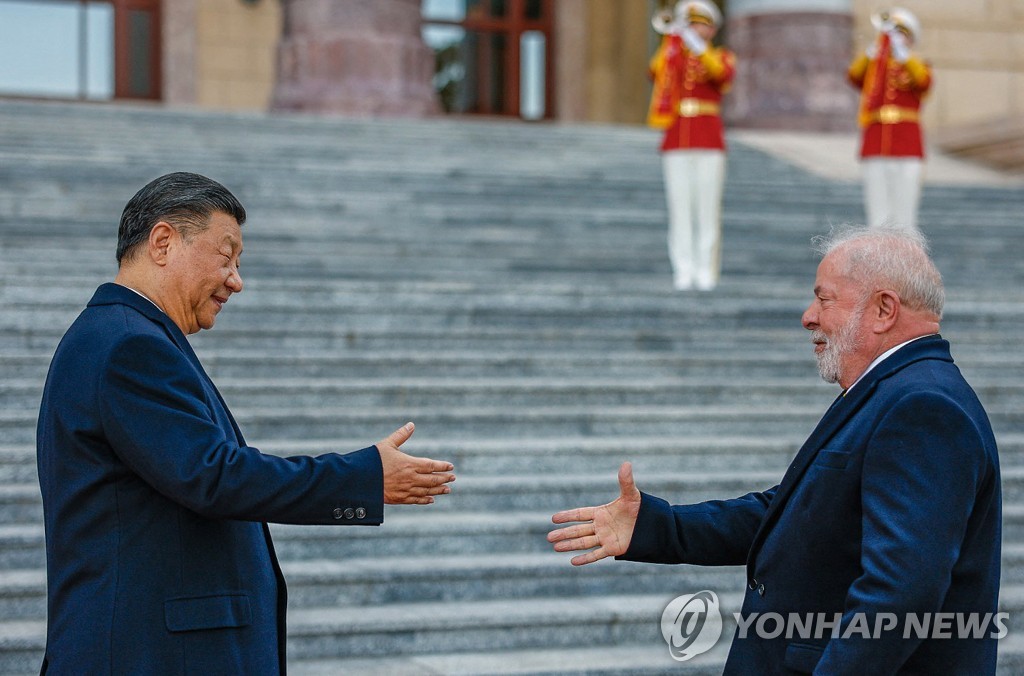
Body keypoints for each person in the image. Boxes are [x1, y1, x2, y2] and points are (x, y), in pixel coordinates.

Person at [36, 172, 457, 675]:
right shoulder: (129, 344)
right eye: (226, 256)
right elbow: (214, 476)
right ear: (164, 242)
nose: (237, 279)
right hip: (148, 654)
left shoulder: (122, 335)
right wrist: (363, 477)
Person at [548, 226, 1001, 673]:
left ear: (884, 309)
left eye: (824, 299)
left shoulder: (923, 406)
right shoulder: (897, 390)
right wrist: (659, 526)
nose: (808, 315)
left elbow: (900, 594)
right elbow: (795, 512)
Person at [647, 0, 735, 291]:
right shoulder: (674, 57)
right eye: (691, 23)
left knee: (707, 209)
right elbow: (655, 71)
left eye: (700, 24)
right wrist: (672, 39)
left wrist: (696, 46)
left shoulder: (721, 56)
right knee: (680, 208)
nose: (695, 29)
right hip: (676, 138)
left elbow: (721, 76)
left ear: (712, 29)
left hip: (708, 138)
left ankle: (706, 269)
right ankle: (683, 269)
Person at [848, 7, 932, 231]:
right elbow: (854, 76)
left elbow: (923, 82)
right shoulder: (876, 67)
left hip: (907, 143)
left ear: (910, 38)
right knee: (877, 208)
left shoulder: (918, 64)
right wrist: (872, 52)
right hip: (876, 141)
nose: (896, 38)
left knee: (905, 210)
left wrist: (904, 56)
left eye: (901, 33)